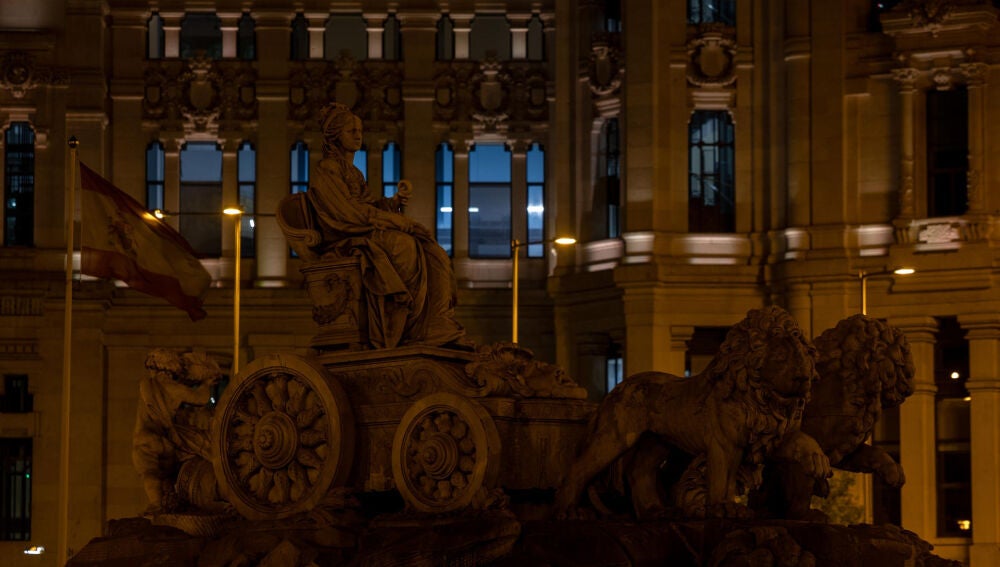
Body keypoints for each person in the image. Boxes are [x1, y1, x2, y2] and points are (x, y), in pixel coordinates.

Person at [307, 102, 468, 349]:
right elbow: (349, 213)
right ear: (334, 135)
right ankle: (404, 323)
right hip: (347, 238)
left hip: (366, 231)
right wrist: (395, 220)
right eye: (351, 131)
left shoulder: (353, 172)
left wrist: (393, 203)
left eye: (359, 130)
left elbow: (368, 206)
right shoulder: (327, 170)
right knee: (404, 245)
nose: (358, 136)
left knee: (431, 249)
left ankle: (434, 322)